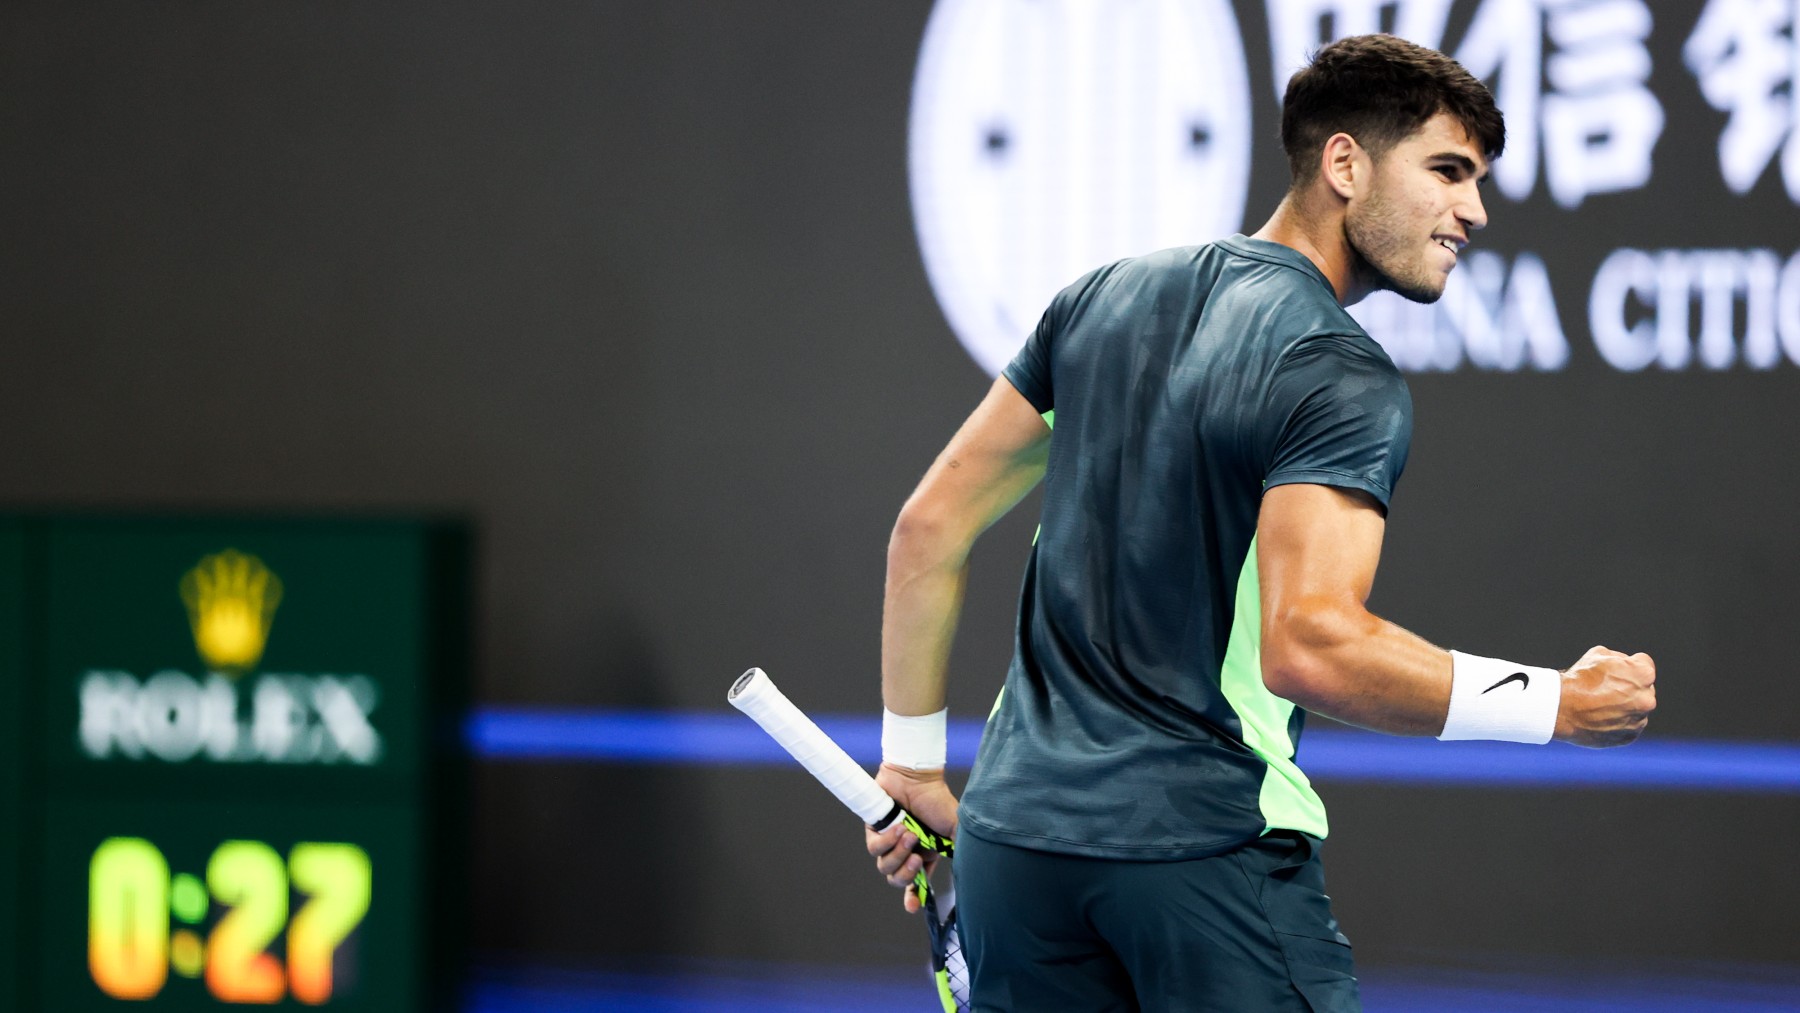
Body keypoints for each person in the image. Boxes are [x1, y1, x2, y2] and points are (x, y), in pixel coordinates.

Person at [865, 33, 1657, 1013]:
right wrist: (1558, 704)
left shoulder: (1100, 303)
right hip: (1202, 853)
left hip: (1017, 850)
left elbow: (927, 528)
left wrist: (908, 761)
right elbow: (1311, 646)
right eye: (1447, 171)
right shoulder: (1339, 369)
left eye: (1479, 181)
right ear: (1344, 164)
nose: (1474, 210)